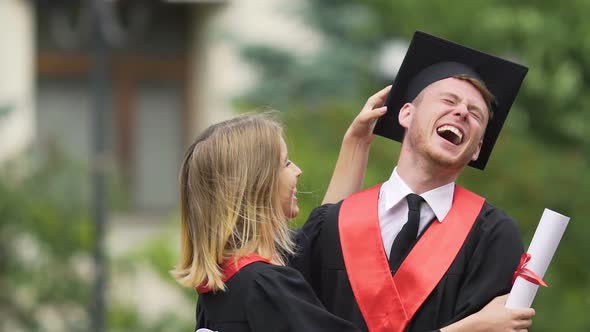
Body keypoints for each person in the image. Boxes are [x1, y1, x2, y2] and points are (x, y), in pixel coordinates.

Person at [172, 85, 534, 331]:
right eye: (285, 163)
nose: (297, 170)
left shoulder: (225, 282)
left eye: (475, 111)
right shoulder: (266, 286)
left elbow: (323, 234)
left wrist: (355, 146)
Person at [290, 31, 534, 332]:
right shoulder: (335, 223)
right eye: (449, 100)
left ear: (477, 150)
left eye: (475, 114)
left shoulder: (493, 235)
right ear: (406, 113)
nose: (461, 112)